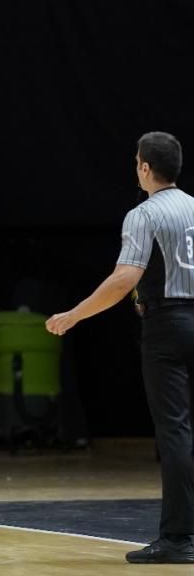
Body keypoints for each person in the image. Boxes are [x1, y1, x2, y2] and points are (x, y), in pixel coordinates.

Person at [46, 132, 194, 565]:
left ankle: (180, 538)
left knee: (176, 432)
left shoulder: (144, 214)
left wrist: (73, 315)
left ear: (145, 168)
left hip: (168, 324)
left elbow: (124, 279)